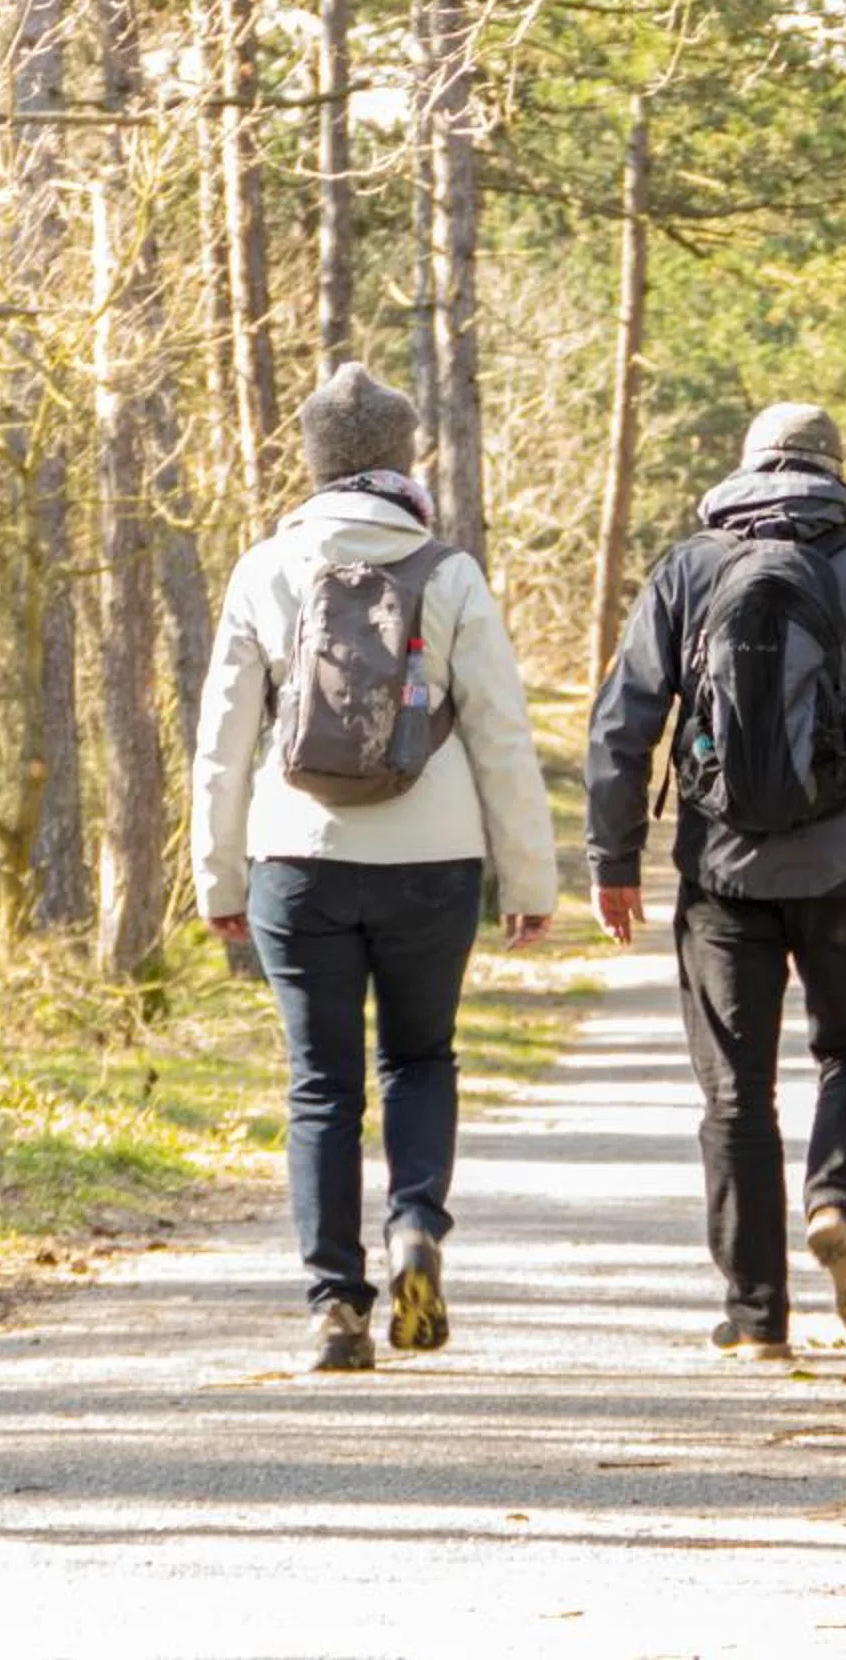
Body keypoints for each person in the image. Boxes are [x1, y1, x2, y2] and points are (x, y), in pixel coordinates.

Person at [584, 402, 846, 1359]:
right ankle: (838, 1199)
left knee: (735, 1092)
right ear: (834, 472)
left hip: (721, 873)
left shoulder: (688, 570)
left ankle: (758, 1317)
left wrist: (612, 858)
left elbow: (622, 725)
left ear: (746, 468)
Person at [192, 362, 557, 1373]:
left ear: (315, 461)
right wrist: (529, 879)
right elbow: (501, 736)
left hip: (297, 858)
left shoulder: (267, 568)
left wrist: (218, 876)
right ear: (401, 459)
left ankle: (334, 1307)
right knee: (420, 1059)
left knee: (321, 1085)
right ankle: (415, 1228)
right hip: (433, 859)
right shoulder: (449, 572)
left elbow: (223, 742)